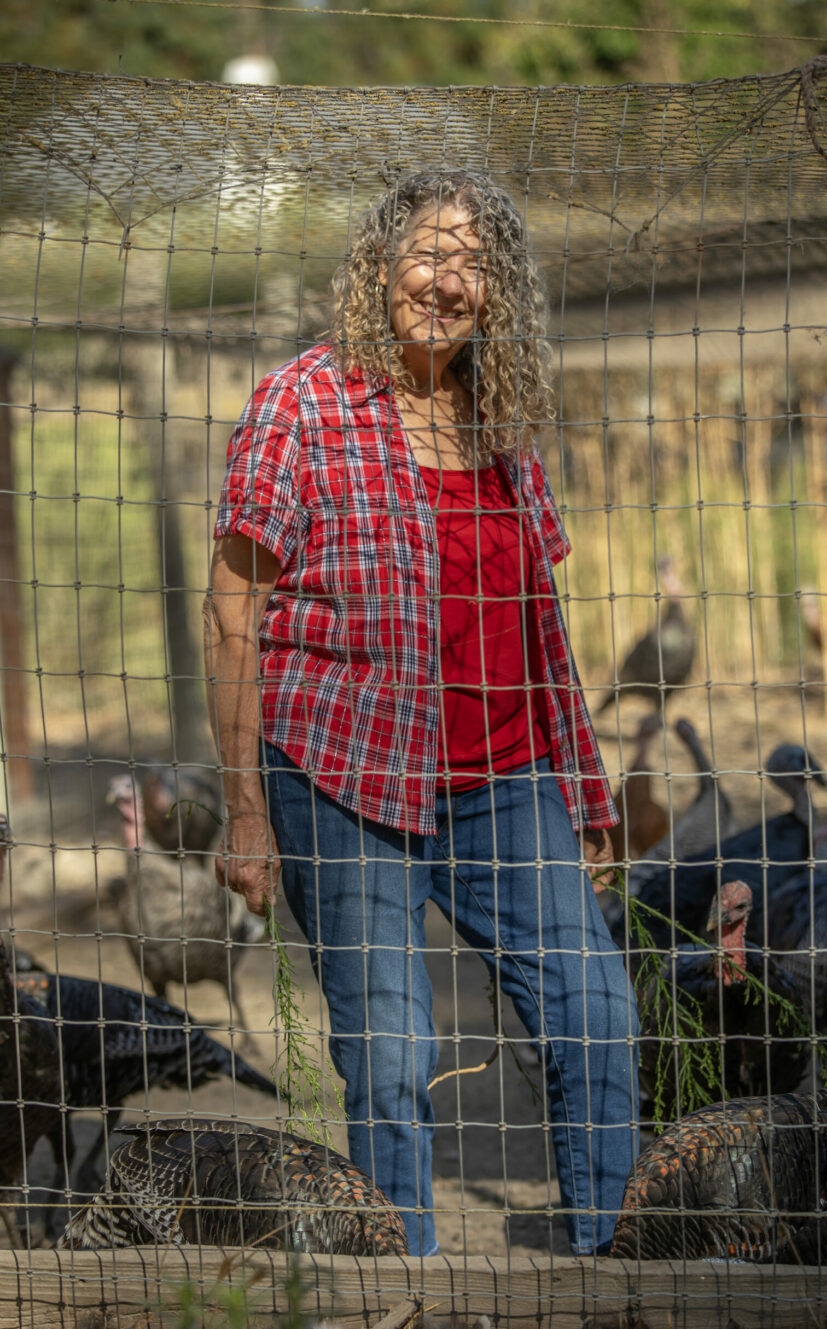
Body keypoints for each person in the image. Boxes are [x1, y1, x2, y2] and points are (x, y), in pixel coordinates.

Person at [205, 169, 638, 1257]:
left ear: (499, 293)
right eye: (427, 254)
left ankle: (612, 1257)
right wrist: (245, 810)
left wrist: (582, 786)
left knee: (594, 1009)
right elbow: (230, 610)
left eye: (472, 263)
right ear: (378, 263)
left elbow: (543, 625)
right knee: (392, 1045)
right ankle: (401, 1275)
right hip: (344, 776)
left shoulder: (501, 421)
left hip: (504, 779)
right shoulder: (302, 402)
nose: (445, 283)